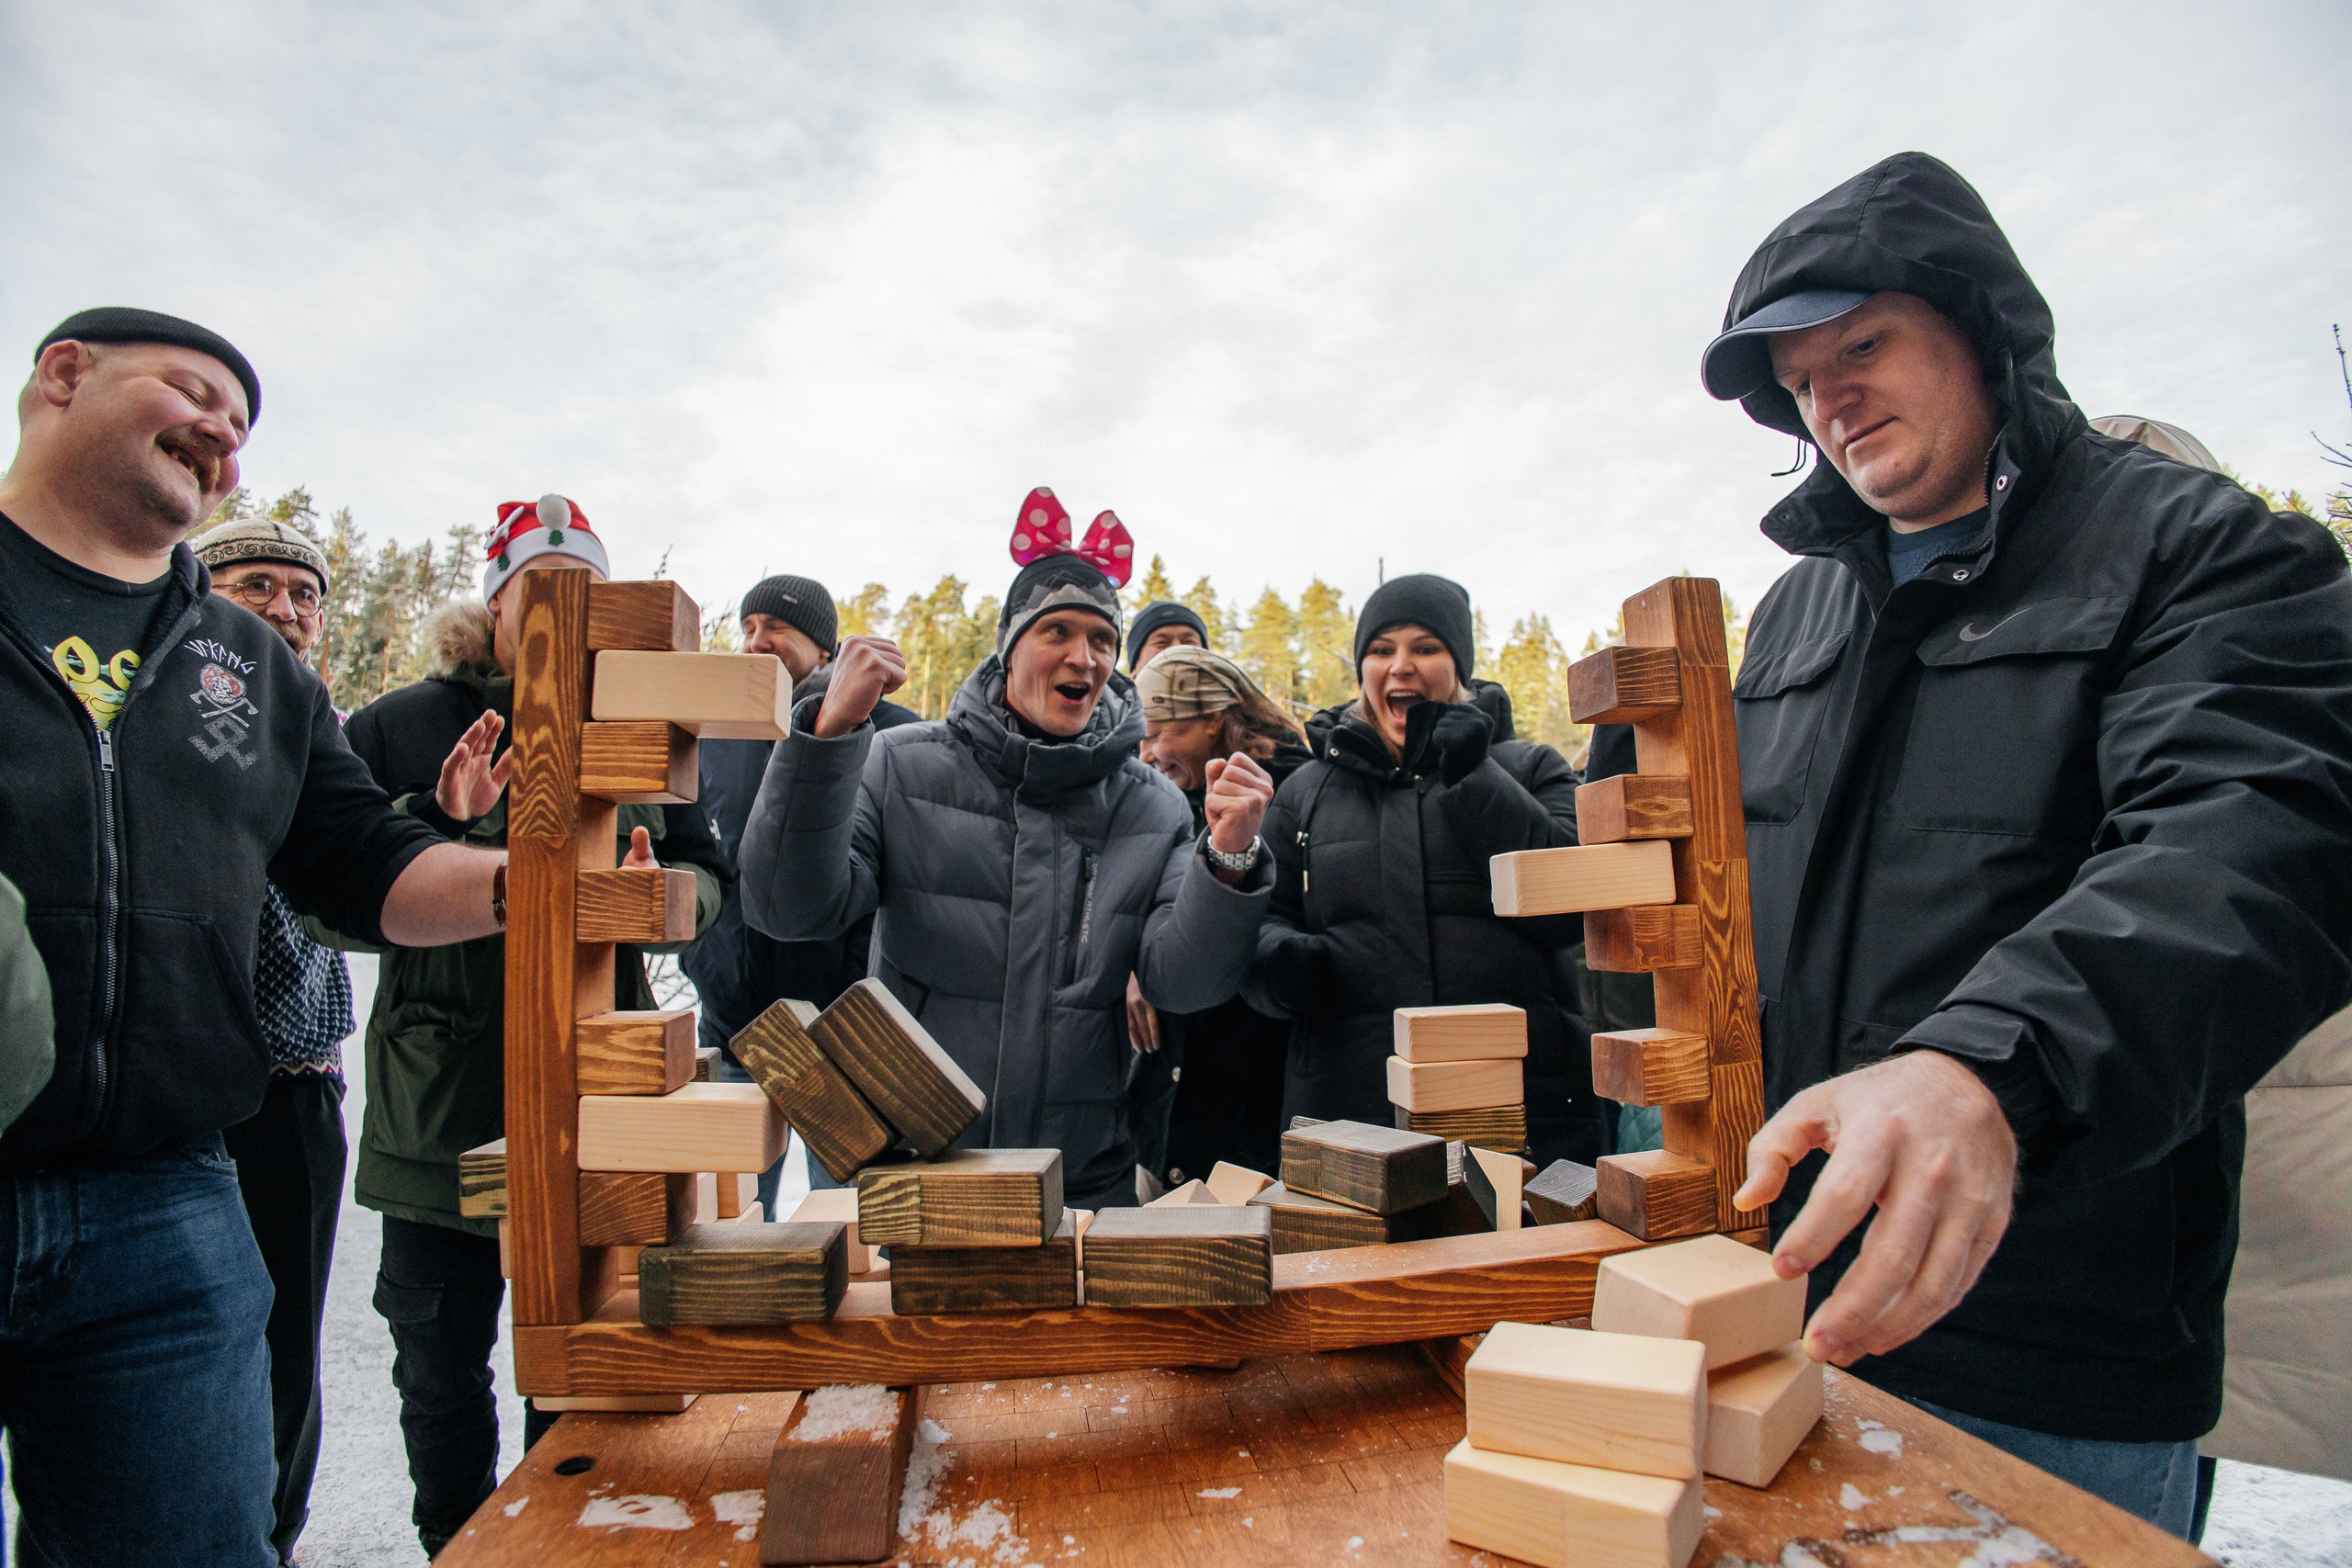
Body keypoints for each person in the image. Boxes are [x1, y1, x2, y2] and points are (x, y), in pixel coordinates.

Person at [1698, 152, 2352, 1535]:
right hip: (1789, 1296)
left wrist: (1992, 1065)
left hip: (2057, 1332)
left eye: (1863, 343)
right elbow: (1723, 898)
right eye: (1802, 377)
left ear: (1982, 324)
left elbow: (2253, 838)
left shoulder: (2197, 549)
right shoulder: (1795, 613)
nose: (1832, 394)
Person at [0, 308, 512, 1567]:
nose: (223, 427)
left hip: (164, 1198)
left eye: (242, 419)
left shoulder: (247, 664)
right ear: (63, 376)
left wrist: (531, 881)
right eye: (192, 389)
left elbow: (361, 863)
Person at [339, 497, 730, 1559]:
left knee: (584, 1358)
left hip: (596, 1087)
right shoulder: (399, 726)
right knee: (440, 1368)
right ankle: (456, 1544)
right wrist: (444, 821)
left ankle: (557, 1547)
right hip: (441, 1109)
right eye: (537, 591)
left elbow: (710, 877)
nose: (562, 613)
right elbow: (341, 895)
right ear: (495, 601)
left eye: (586, 595)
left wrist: (665, 892)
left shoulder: (641, 725)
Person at [739, 491, 1275, 1208]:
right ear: (1009, 644)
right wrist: (829, 734)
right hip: (921, 1175)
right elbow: (787, 905)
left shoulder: (1149, 805)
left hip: (1080, 1179)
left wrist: (1229, 860)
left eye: (1101, 639)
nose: (1082, 655)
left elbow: (1183, 980)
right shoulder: (901, 767)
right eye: (1056, 629)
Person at [1247, 574, 1604, 1168]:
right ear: (1363, 667)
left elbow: (1572, 910)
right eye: (1382, 650)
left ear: (1459, 665)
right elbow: (1261, 922)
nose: (1401, 666)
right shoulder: (1304, 791)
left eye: (1426, 647)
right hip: (1352, 1111)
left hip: (1523, 1106)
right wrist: (1277, 961)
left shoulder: (1528, 767)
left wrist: (1474, 778)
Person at [191, 513, 356, 1564]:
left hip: (296, 1084)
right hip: (180, 1097)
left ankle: (273, 1540)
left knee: (284, 1351)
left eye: (304, 595)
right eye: (258, 585)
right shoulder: (177, 711)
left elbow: (350, 873)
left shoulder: (315, 722)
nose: (287, 611)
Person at [684, 573, 917, 1208]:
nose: (757, 642)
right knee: (726, 1227)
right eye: (748, 628)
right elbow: (699, 855)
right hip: (736, 1022)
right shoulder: (712, 734)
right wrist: (706, 959)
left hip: (846, 1035)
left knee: (847, 1227)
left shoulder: (892, 733)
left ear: (824, 647)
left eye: (776, 629)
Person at [1133, 645, 1315, 1180]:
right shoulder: (1160, 806)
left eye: (1158, 732)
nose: (1145, 754)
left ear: (1213, 718)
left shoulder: (1296, 793)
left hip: (1262, 1073)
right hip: (1170, 1083)